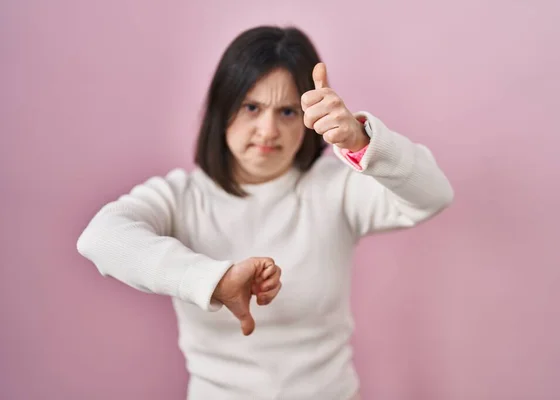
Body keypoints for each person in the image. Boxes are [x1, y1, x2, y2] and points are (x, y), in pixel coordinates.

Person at [76, 25, 454, 400]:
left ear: (308, 122)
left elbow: (433, 194)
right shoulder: (182, 195)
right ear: (221, 109)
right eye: (251, 107)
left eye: (288, 111)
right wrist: (214, 280)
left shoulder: (334, 187)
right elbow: (101, 237)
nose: (267, 130)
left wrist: (363, 140)